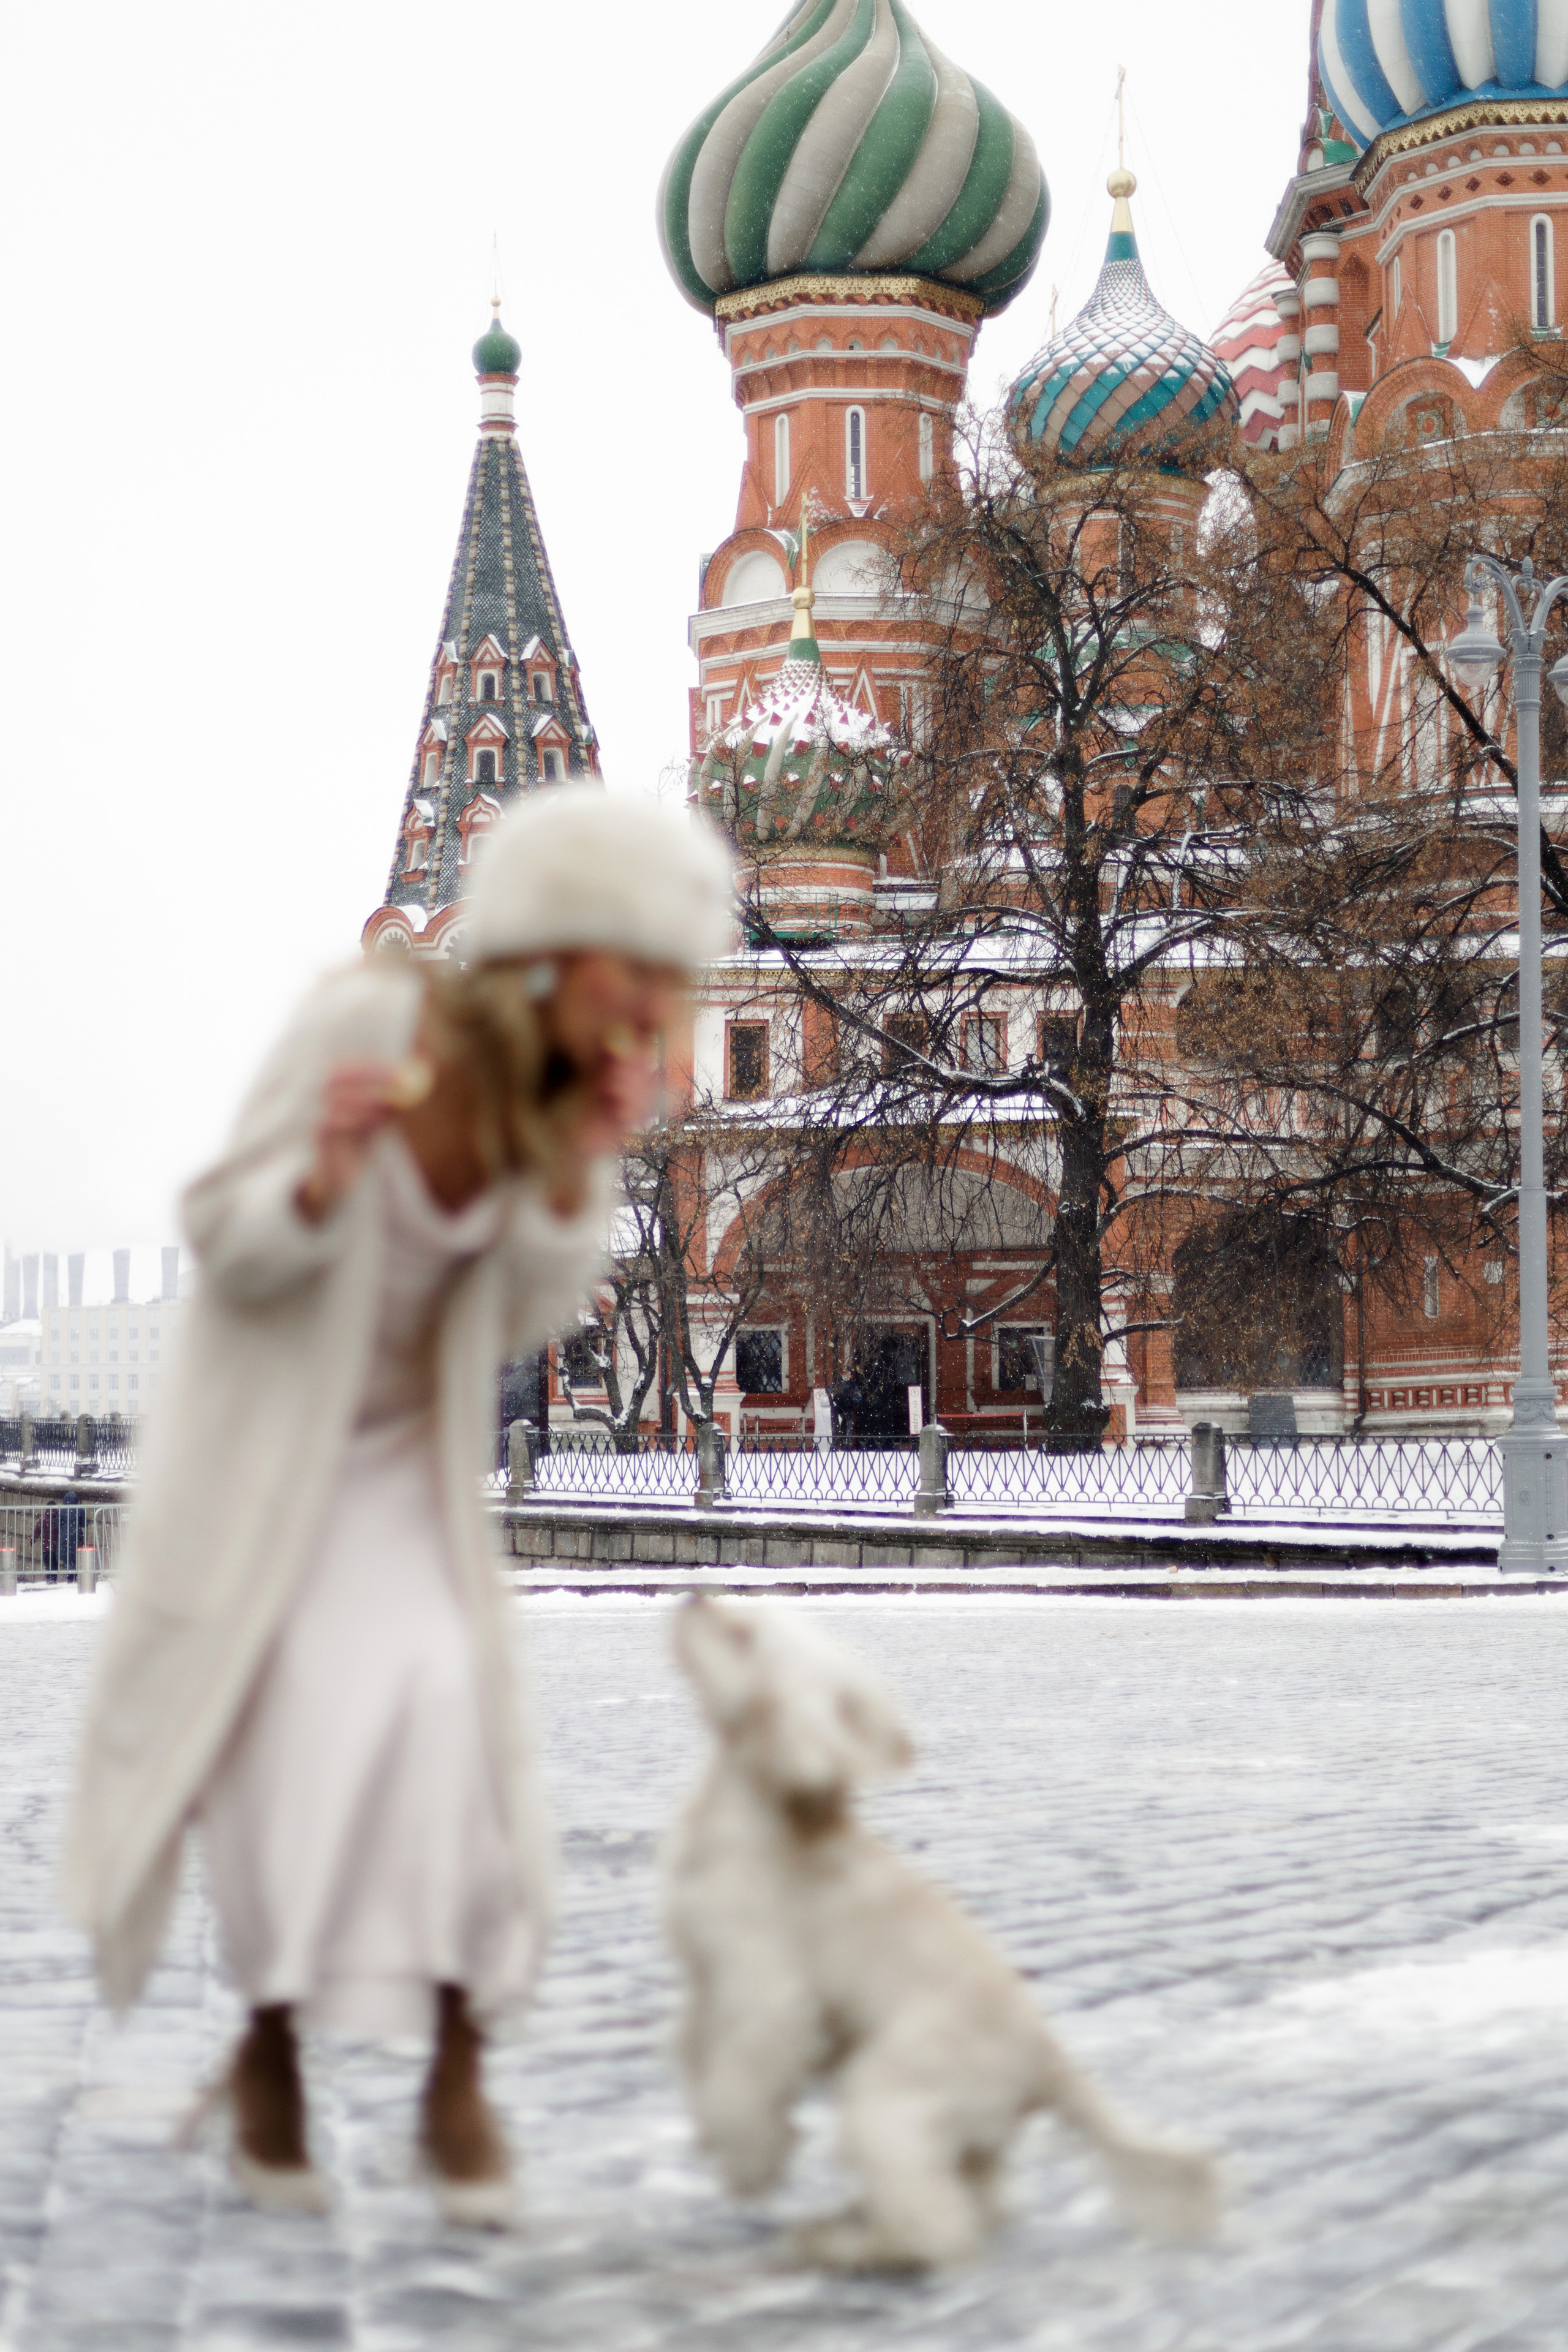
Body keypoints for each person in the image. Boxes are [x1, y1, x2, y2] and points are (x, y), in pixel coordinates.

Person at [63, 785, 733, 2223]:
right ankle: (271, 2050)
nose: (648, 1022)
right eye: (632, 980)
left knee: (441, 1731)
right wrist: (315, 1179)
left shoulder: (560, 1099)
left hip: (404, 1475)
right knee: (285, 1749)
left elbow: (538, 1303)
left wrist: (573, 1170)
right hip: (266, 1458)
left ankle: (452, 2067)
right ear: (555, 953)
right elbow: (219, 1237)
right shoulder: (361, 1029)